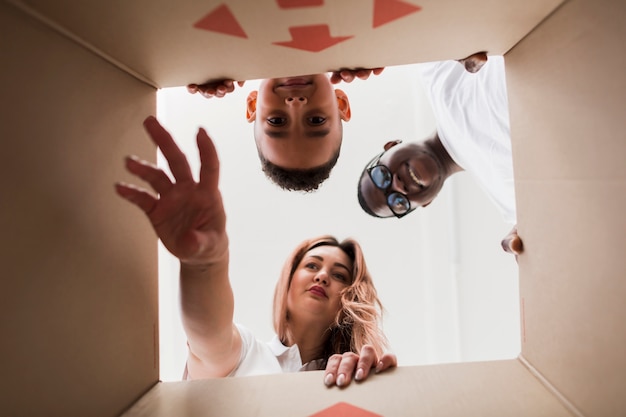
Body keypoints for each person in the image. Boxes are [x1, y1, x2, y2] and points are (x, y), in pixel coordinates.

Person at [115, 116, 396, 387]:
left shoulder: (360, 376)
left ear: (349, 298)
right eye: (312, 265)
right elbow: (209, 340)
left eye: (339, 274)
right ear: (286, 284)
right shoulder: (247, 354)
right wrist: (203, 264)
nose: (322, 276)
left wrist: (375, 390)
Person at [357, 54, 523, 256]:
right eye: (398, 203)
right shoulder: (511, 201)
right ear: (426, 202)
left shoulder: (434, 69)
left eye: (382, 176)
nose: (398, 186)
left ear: (391, 145)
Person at [187, 68, 384, 192]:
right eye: (316, 120)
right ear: (341, 103)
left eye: (277, 120)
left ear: (253, 105)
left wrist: (206, 59)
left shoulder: (220, 58)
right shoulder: (362, 47)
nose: (295, 103)